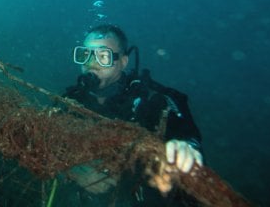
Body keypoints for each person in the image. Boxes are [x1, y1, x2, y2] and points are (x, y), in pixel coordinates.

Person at [63, 24, 203, 205]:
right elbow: (48, 147)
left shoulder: (155, 100)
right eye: (84, 55)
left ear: (123, 61)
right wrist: (73, 171)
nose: (91, 63)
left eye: (103, 56)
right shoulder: (69, 102)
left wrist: (186, 148)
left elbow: (187, 137)